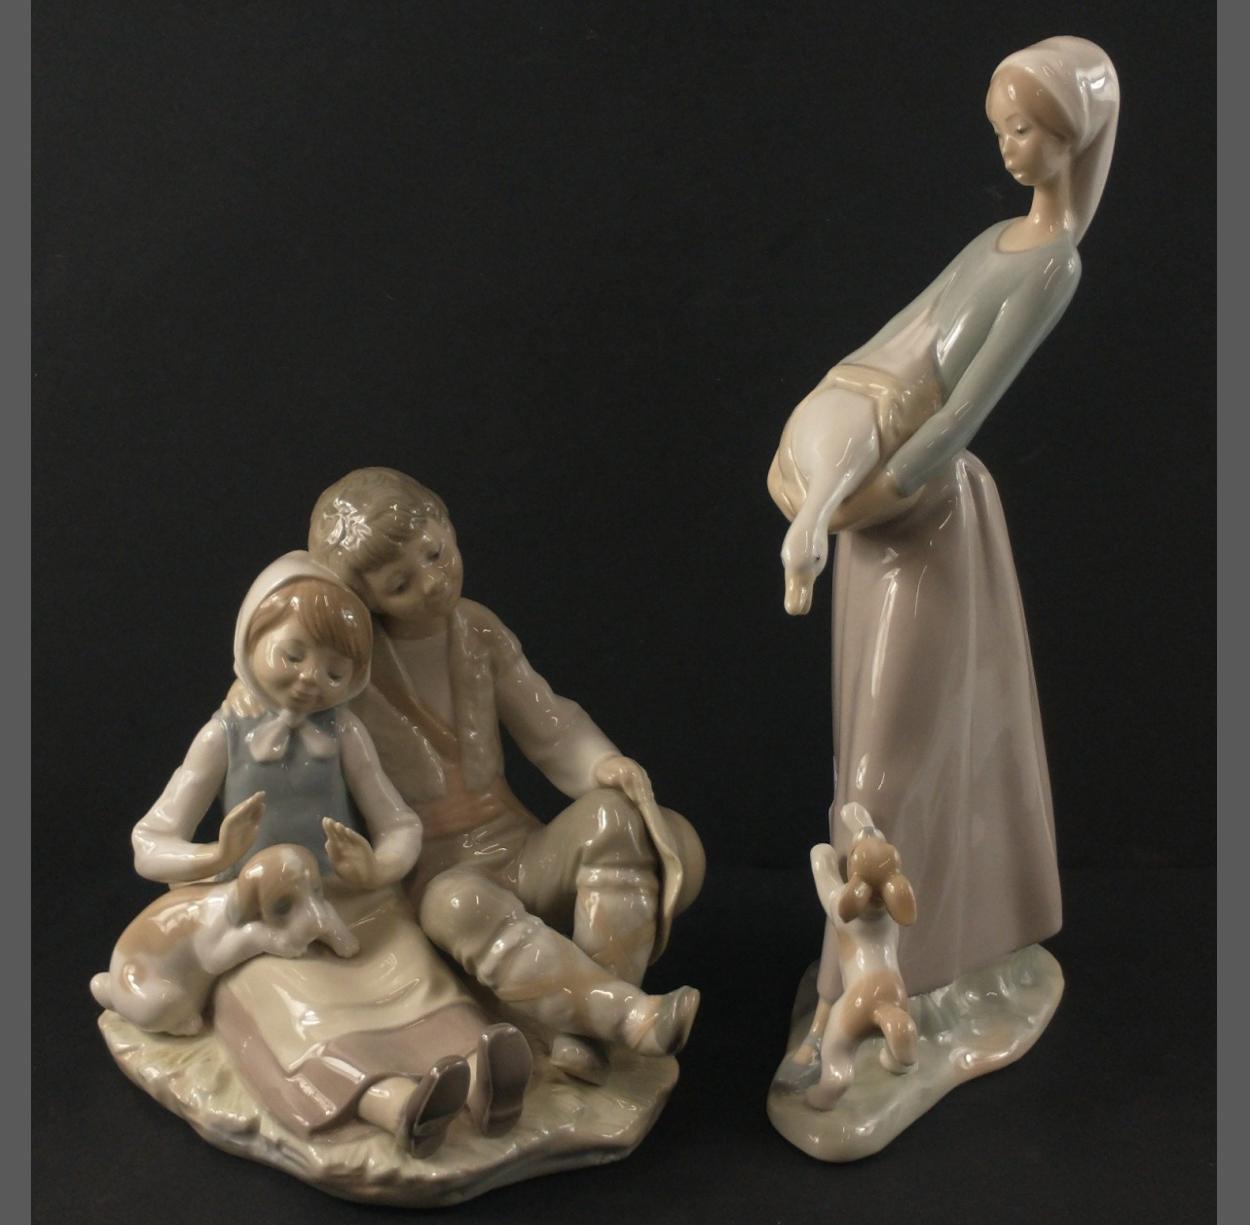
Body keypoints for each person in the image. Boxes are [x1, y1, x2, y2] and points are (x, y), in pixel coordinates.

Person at [768, 37, 1119, 1077]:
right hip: (876, 510)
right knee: (866, 745)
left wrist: (875, 496)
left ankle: (900, 970)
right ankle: (866, 972)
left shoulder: (1051, 263)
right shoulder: (993, 239)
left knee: (897, 744)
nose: (1010, 149)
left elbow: (966, 407)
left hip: (922, 516)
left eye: (1028, 130)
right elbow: (897, 339)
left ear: (1076, 136)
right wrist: (816, 449)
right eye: (1000, 129)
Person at [308, 469, 706, 1083]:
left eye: (435, 553)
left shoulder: (479, 632)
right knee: (459, 906)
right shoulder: (352, 670)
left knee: (613, 817)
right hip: (434, 874)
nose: (433, 581)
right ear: (367, 600)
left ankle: (590, 1029)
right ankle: (620, 1017)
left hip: (517, 845)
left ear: (448, 527)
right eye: (400, 584)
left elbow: (550, 723)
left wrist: (602, 763)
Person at [130, 551, 532, 1154]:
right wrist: (214, 857)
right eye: (293, 656)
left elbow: (399, 823)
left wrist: (377, 866)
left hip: (349, 901)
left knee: (413, 974)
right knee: (299, 1011)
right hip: (264, 920)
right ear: (250, 641)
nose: (310, 679)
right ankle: (395, 1106)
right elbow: (149, 843)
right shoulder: (224, 735)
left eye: (335, 670)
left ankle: (482, 1079)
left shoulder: (344, 733)